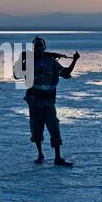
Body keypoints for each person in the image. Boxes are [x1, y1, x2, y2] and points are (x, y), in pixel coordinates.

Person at [14, 37, 80, 166]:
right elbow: (17, 75)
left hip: (49, 101)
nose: (39, 49)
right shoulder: (28, 62)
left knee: (54, 127)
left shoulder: (52, 62)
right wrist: (21, 59)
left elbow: (66, 73)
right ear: (33, 49)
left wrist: (75, 60)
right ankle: (40, 154)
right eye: (36, 47)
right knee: (36, 128)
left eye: (41, 46)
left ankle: (58, 157)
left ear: (44, 48)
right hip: (34, 101)